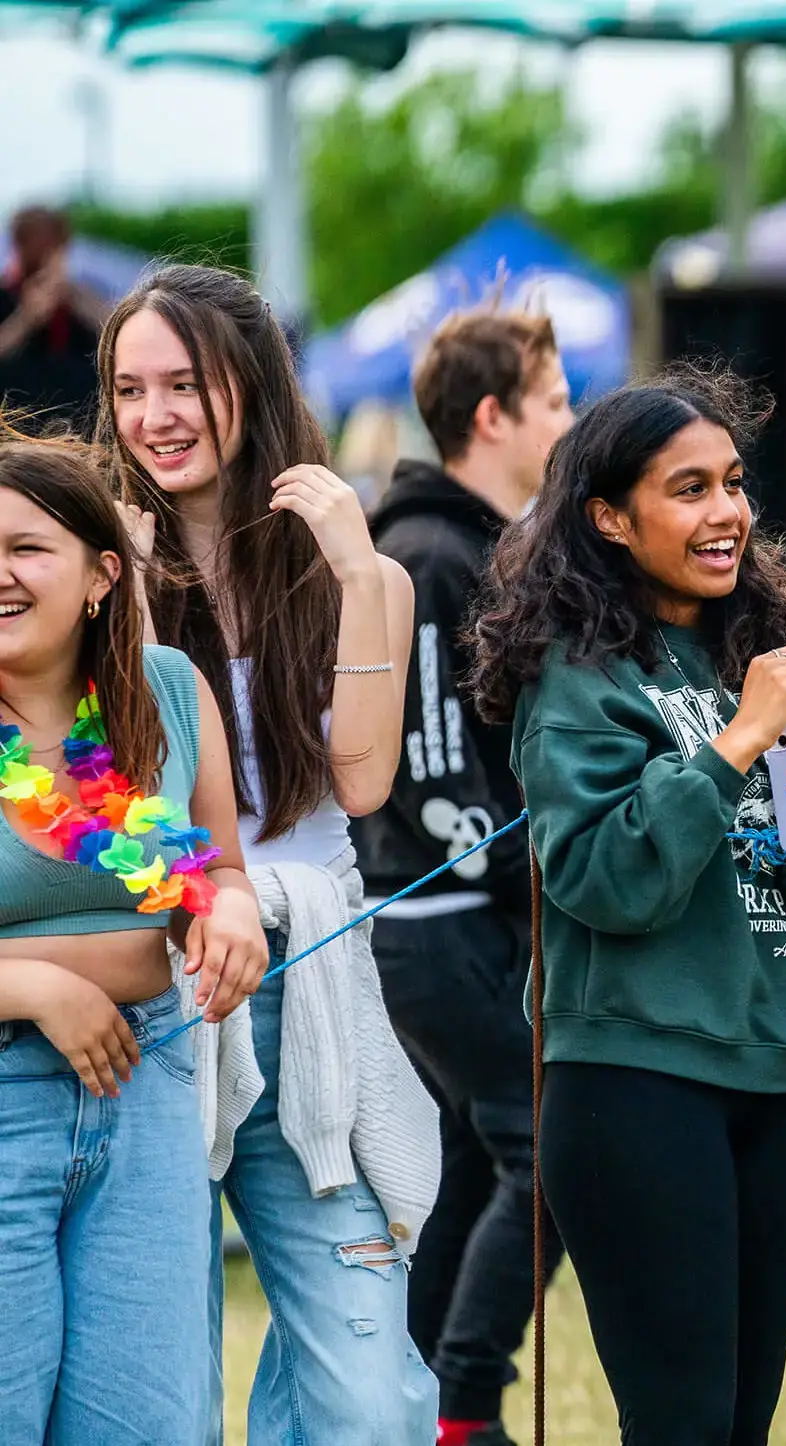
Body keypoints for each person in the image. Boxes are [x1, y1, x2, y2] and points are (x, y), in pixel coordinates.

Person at [471, 369, 786, 1444]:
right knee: (682, 1424)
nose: (728, 514)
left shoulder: (757, 659)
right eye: (689, 488)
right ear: (608, 517)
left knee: (741, 1425)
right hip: (635, 1087)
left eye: (735, 484)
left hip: (775, 1081)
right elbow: (610, 879)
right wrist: (736, 744)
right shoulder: (577, 680)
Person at [96, 262, 440, 1443]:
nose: (157, 416)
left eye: (186, 382)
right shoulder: (84, 574)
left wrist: (354, 572)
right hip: (145, 983)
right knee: (156, 1396)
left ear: (254, 383)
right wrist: (129, 600)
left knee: (365, 1399)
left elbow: (361, 781)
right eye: (132, 388)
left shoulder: (365, 572)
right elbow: (109, 796)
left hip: (313, 987)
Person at [0, 434, 266, 1442]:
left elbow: (217, 871)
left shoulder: (162, 693)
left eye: (28, 547)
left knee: (141, 1423)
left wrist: (231, 910)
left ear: (103, 574)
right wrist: (32, 987)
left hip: (144, 1084)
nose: (0, 575)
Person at [357, 309, 572, 1446]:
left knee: (473, 1159)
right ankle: (463, 1406)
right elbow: (429, 771)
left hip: (462, 918)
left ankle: (418, 1399)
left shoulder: (482, 542)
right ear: (492, 418)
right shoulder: (429, 554)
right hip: (439, 922)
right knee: (550, 1147)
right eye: (555, 402)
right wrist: (539, 875)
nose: (571, 422)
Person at [0, 207, 109, 431]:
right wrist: (27, 318)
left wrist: (76, 299)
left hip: (79, 415)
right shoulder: (4, 294)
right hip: (18, 416)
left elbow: (115, 331)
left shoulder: (83, 293)